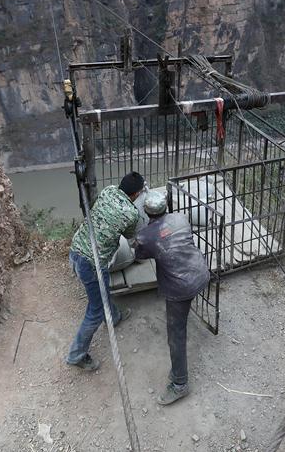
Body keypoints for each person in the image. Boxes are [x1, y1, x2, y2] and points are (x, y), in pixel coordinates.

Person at [135, 191, 210, 405]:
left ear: (146, 211)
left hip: (180, 288)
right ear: (166, 206)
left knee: (176, 334)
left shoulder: (145, 237)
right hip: (201, 273)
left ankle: (180, 384)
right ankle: (178, 379)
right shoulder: (180, 218)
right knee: (180, 323)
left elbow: (139, 255)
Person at [66, 171, 145, 371]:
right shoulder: (131, 213)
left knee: (103, 292)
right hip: (91, 264)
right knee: (95, 311)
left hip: (76, 249)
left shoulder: (109, 191)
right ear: (136, 194)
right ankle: (77, 355)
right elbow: (130, 236)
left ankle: (115, 317)